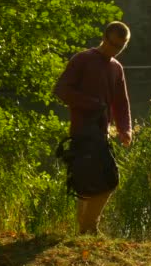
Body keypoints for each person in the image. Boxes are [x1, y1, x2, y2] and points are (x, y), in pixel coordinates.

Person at [54, 21, 132, 235]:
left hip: (101, 134)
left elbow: (121, 103)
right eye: (114, 44)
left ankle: (84, 231)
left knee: (88, 183)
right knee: (109, 180)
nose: (116, 50)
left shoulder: (117, 68)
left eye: (121, 46)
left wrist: (126, 129)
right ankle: (90, 227)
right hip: (82, 132)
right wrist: (92, 104)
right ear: (104, 38)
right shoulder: (83, 59)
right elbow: (61, 90)